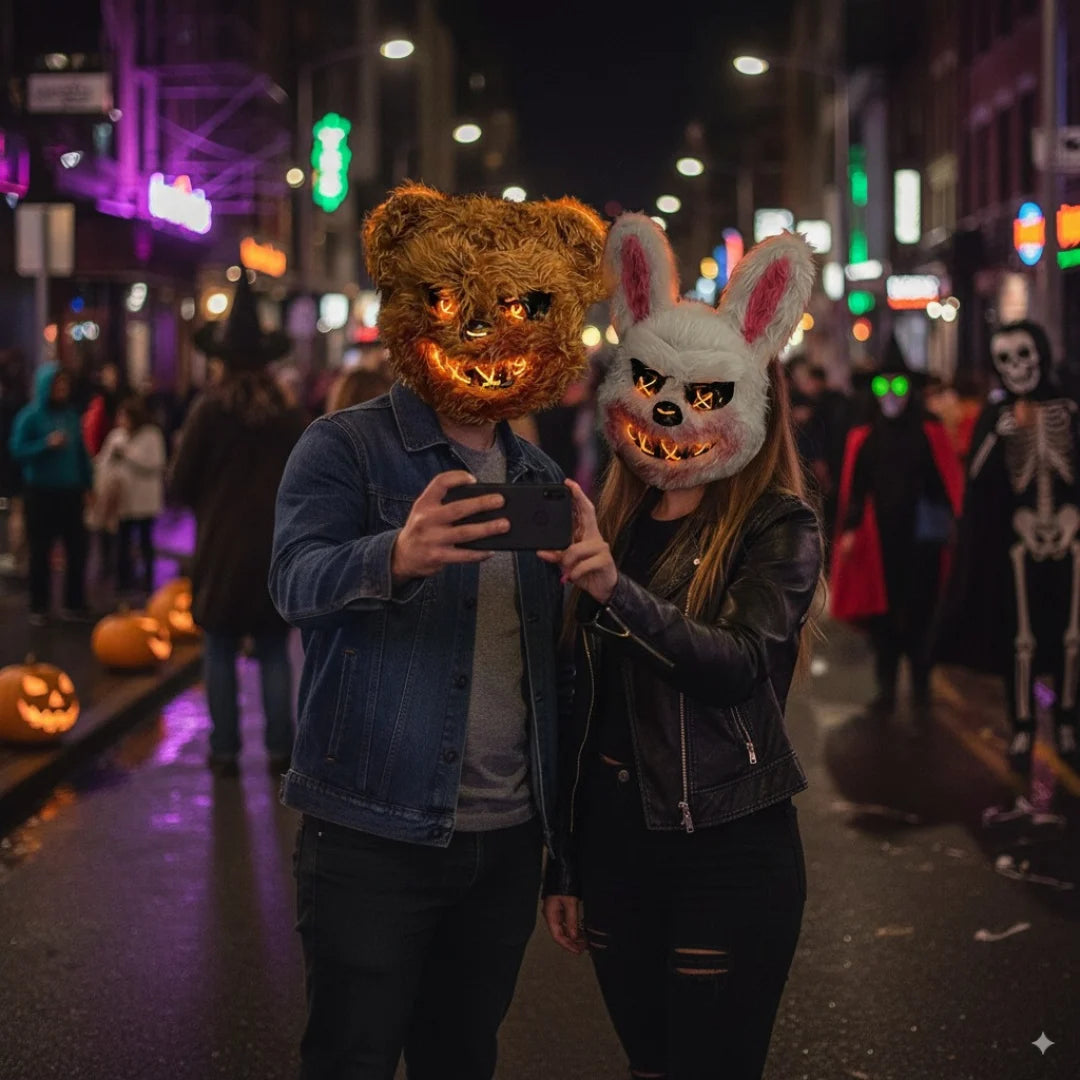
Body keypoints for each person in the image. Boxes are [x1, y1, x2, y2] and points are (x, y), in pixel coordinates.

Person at [270, 183, 605, 1080]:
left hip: (502, 843)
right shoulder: (343, 448)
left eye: (522, 310)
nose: (486, 336)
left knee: (463, 1058)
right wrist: (395, 556)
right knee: (352, 1055)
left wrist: (560, 853)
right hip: (373, 832)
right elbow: (292, 584)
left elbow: (555, 678)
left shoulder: (539, 475)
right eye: (455, 305)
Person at [541, 215, 820, 1080]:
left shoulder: (779, 525)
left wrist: (611, 594)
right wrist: (566, 861)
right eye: (654, 384)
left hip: (727, 850)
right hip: (619, 850)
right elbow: (579, 706)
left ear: (746, 399)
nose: (670, 411)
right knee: (651, 1067)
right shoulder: (615, 520)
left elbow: (736, 663)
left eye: (702, 394)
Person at [170, 272, 307, 776]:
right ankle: (280, 750)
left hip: (221, 550)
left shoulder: (209, 412)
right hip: (277, 547)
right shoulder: (289, 416)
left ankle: (224, 750)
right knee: (273, 649)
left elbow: (180, 484)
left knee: (220, 647)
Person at [935, 321, 1080, 777]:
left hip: (1071, 539)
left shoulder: (1070, 411)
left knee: (1071, 638)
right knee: (1023, 640)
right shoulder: (996, 417)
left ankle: (1067, 725)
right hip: (1018, 546)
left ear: (1040, 353)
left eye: (1023, 355)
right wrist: (999, 432)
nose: (1017, 368)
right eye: (1005, 360)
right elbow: (976, 482)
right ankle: (1022, 729)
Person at [830, 338, 963, 724]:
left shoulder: (930, 431)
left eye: (899, 386)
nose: (891, 395)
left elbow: (948, 484)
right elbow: (855, 489)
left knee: (921, 614)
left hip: (921, 542)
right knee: (883, 616)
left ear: (911, 390)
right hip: (880, 542)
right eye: (883, 386)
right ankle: (887, 689)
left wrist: (952, 522)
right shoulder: (864, 436)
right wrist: (852, 530)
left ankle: (921, 689)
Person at [9, 364, 93, 625]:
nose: (62, 390)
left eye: (65, 385)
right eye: (57, 385)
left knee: (77, 548)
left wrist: (88, 483)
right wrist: (45, 445)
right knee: (41, 550)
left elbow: (81, 453)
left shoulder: (71, 415)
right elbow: (17, 450)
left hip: (70, 491)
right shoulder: (30, 417)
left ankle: (74, 602)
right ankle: (39, 605)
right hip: (41, 492)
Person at [99, 395, 166, 597]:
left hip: (145, 500)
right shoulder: (116, 436)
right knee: (123, 540)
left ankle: (148, 579)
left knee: (145, 541)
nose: (121, 421)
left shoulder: (151, 436)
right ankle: (123, 579)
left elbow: (155, 463)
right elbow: (103, 462)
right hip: (124, 498)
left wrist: (127, 454)